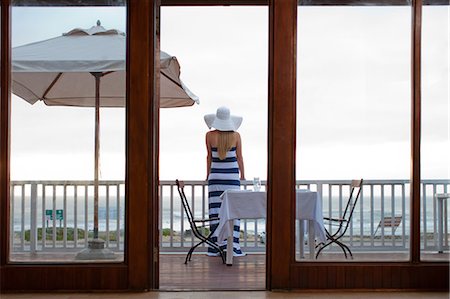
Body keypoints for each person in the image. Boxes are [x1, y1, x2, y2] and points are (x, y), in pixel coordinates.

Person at [204, 106, 246, 257]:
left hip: (215, 177)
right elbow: (239, 157)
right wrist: (243, 175)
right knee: (233, 211)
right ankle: (231, 246)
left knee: (216, 212)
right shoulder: (236, 136)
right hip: (232, 178)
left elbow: (209, 157)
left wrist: (207, 175)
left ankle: (216, 246)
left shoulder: (209, 135)